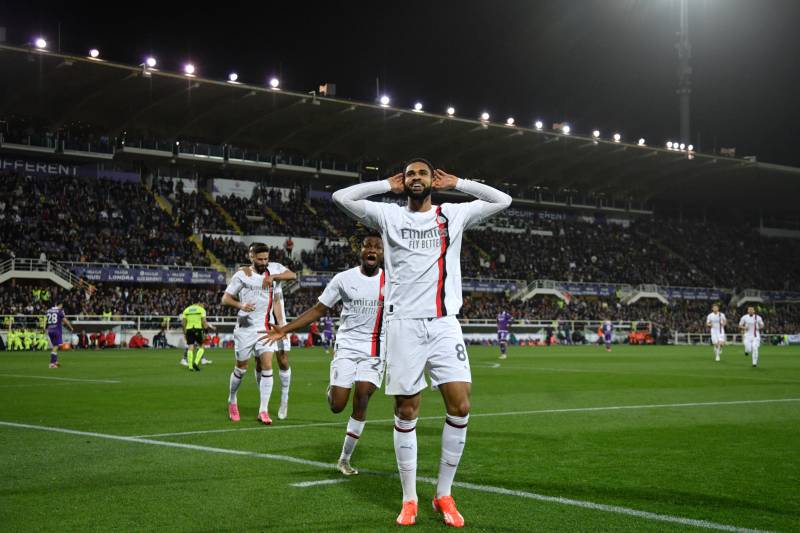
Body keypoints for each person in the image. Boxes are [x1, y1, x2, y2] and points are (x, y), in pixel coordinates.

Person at [332, 159, 511, 527]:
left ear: (433, 180)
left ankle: (443, 494)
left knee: (460, 406)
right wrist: (385, 184)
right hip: (404, 326)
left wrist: (460, 181)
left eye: (422, 174)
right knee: (407, 411)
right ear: (404, 180)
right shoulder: (388, 215)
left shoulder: (452, 215)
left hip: (445, 324)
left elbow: (502, 200)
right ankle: (409, 497)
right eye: (410, 174)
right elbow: (341, 197)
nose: (416, 179)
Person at [264, 235, 385, 475]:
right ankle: (332, 389)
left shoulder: (394, 280)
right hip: (348, 347)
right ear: (360, 251)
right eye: (367, 246)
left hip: (376, 349)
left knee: (362, 396)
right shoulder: (344, 279)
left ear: (383, 252)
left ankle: (345, 459)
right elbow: (318, 309)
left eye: (377, 247)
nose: (372, 250)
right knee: (337, 405)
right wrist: (285, 329)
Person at [221, 242, 296, 424]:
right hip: (245, 328)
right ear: (251, 257)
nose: (264, 262)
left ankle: (263, 410)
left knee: (267, 366)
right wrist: (240, 305)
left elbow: (292, 275)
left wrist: (275, 277)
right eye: (260, 259)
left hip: (265, 328)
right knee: (241, 368)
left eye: (266, 259)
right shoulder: (242, 275)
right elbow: (225, 299)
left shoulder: (273, 270)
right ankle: (232, 399)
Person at [180, 302, 216, 371]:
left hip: (189, 329)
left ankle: (190, 366)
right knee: (202, 345)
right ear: (198, 303)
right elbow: (204, 322)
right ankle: (196, 363)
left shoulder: (186, 310)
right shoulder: (201, 310)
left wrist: (184, 333)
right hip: (198, 329)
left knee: (191, 346)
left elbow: (183, 323)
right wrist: (206, 332)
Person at [44, 304, 74, 368]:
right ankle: (52, 364)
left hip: (50, 330)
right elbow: (65, 320)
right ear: (59, 305)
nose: (62, 306)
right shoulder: (59, 311)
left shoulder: (48, 311)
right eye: (61, 305)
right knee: (56, 346)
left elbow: (47, 320)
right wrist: (70, 327)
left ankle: (55, 361)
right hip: (56, 330)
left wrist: (45, 328)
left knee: (54, 346)